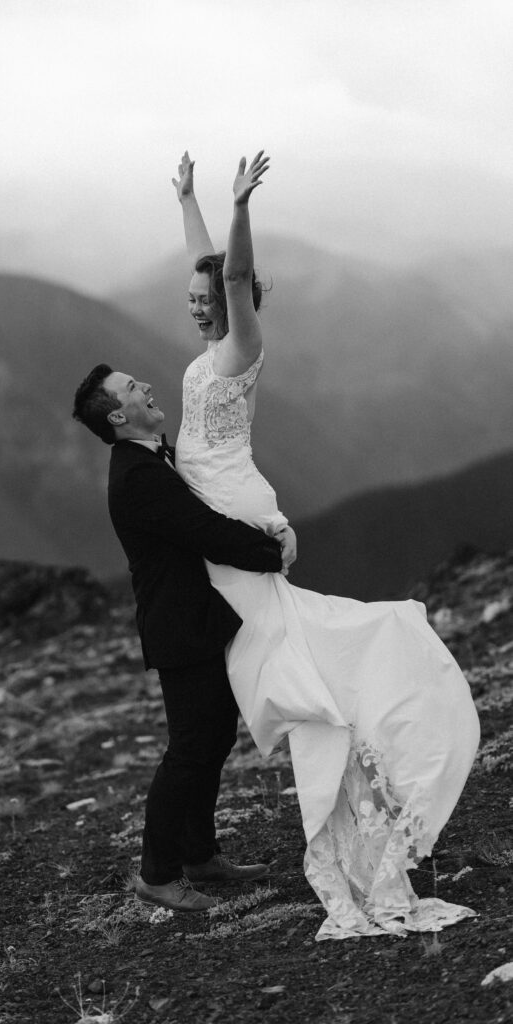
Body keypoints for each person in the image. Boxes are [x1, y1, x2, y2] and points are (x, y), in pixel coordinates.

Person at [170, 149, 481, 940]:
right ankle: (326, 727)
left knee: (285, 659)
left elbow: (231, 279)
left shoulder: (240, 351)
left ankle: (344, 754)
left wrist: (238, 209)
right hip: (221, 513)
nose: (198, 309)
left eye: (206, 301)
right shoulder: (210, 348)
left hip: (230, 517)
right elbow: (209, 271)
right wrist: (187, 199)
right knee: (277, 653)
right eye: (193, 301)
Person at [72, 365, 293, 913]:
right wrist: (272, 552)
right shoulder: (138, 475)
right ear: (119, 415)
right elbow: (205, 532)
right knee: (191, 749)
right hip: (179, 626)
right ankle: (158, 874)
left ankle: (199, 855)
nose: (145, 385)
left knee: (213, 740)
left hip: (195, 619)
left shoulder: (147, 458)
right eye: (131, 388)